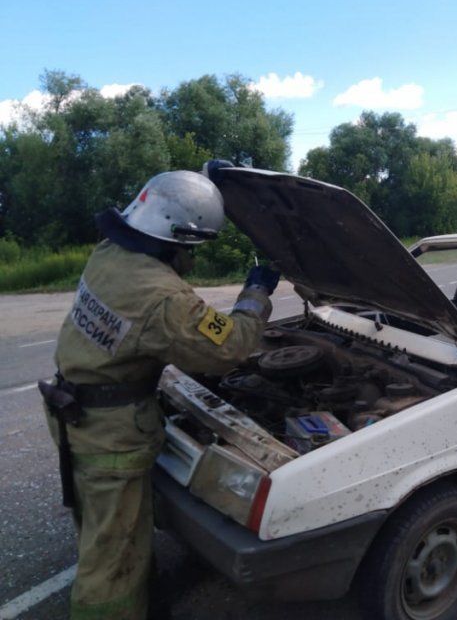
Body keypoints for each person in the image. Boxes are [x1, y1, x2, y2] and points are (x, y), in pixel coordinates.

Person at [40, 163, 279, 620]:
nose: (193, 258)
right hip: (110, 436)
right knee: (108, 563)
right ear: (181, 238)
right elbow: (230, 346)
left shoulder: (109, 253)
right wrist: (256, 292)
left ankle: (142, 592)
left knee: (105, 527)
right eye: (194, 247)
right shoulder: (164, 299)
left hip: (74, 412)